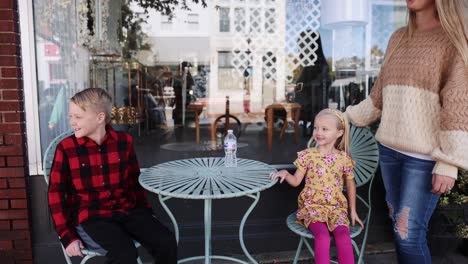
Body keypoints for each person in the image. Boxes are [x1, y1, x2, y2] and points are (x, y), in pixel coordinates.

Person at [344, 0, 468, 263]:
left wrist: (448, 162)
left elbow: (458, 104)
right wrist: (342, 118)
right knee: (399, 231)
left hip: (423, 159)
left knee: (408, 234)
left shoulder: (452, 39)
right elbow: (378, 98)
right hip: (389, 152)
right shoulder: (397, 38)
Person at [47, 88, 177, 264]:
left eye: (78, 117)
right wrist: (66, 235)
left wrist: (146, 213)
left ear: (100, 118)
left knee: (166, 241)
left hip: (127, 209)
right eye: (71, 116)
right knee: (124, 254)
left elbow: (133, 181)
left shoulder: (124, 142)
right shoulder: (66, 148)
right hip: (92, 216)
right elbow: (56, 194)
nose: (72, 122)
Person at [270, 108, 364, 264]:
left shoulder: (343, 158)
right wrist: (286, 174)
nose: (318, 132)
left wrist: (353, 211)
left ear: (339, 133)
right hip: (312, 207)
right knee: (322, 236)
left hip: (336, 208)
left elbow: (350, 183)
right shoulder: (308, 155)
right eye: (315, 128)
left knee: (343, 236)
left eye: (325, 129)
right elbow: (296, 182)